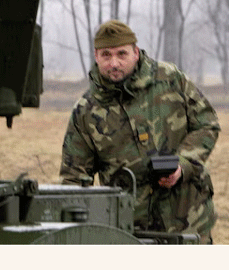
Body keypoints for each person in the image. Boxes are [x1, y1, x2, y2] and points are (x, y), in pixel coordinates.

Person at [60, 19, 220, 243]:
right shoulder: (86, 111)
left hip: (188, 222)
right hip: (130, 232)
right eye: (106, 55)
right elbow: (74, 180)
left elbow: (207, 123)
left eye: (121, 54)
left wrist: (182, 164)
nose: (114, 63)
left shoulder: (170, 79)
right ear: (96, 56)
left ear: (136, 52)